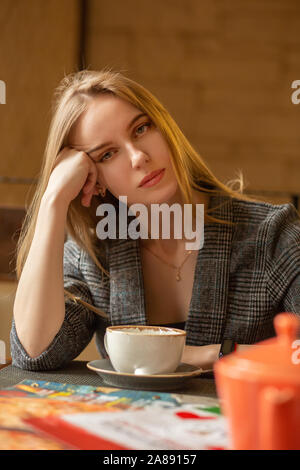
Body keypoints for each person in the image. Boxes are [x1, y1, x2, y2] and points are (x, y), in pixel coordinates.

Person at [11, 69, 300, 371]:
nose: (138, 157)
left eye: (141, 129)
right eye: (108, 154)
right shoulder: (92, 256)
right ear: (93, 180)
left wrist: (218, 354)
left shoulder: (273, 235)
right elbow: (35, 352)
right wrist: (53, 200)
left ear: (164, 126)